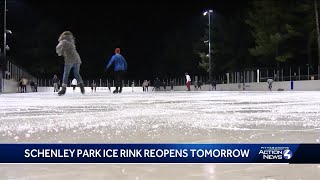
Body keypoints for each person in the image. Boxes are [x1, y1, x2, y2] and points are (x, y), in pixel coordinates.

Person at [56, 31, 85, 96]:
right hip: (77, 58)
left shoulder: (63, 41)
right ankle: (81, 86)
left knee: (66, 74)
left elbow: (58, 47)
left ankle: (63, 89)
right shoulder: (72, 41)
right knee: (76, 73)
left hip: (69, 59)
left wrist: (59, 53)